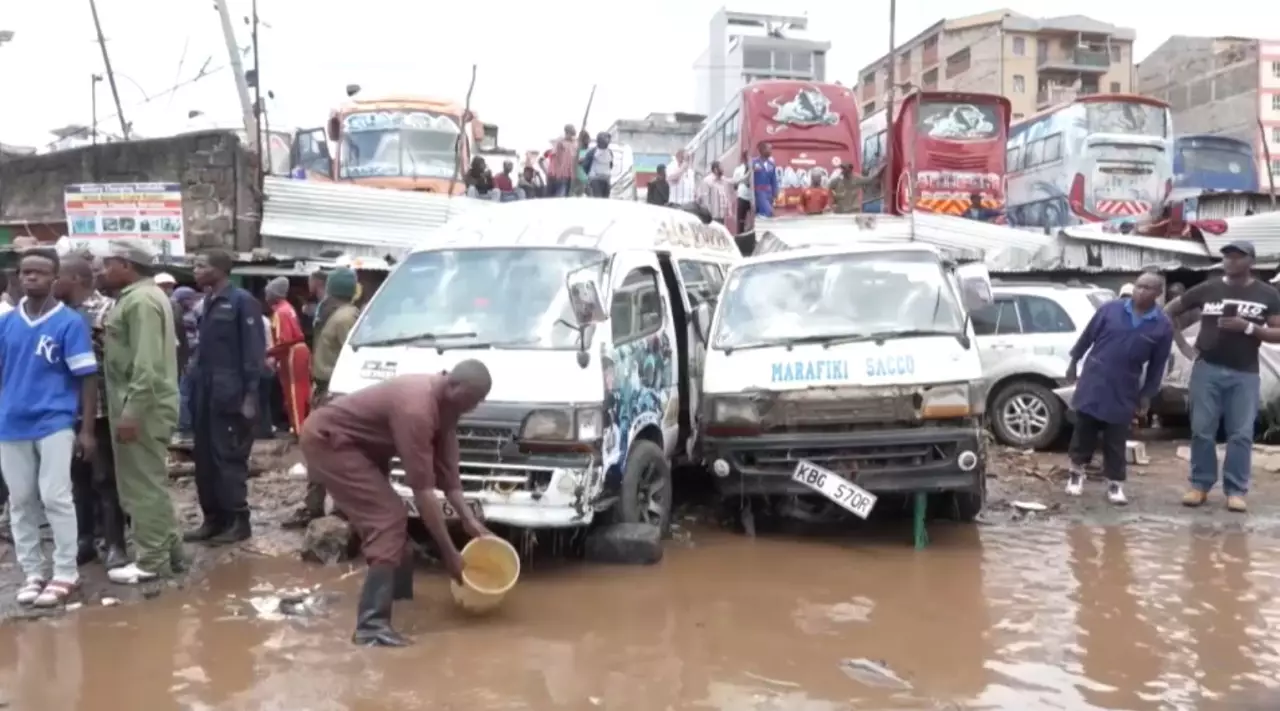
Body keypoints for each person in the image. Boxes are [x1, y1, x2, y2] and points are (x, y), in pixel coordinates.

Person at [300, 363, 494, 647]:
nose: (474, 408)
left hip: (361, 448)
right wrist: (449, 552)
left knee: (392, 519)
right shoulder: (417, 409)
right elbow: (423, 491)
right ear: (454, 388)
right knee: (387, 518)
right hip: (331, 443)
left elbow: (449, 477)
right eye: (473, 400)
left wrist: (469, 520)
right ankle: (371, 625)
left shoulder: (447, 409)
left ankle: (399, 599)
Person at [0, 249, 98, 607]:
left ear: (54, 278)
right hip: (10, 422)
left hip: (54, 420)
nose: (31, 278)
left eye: (40, 273)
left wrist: (86, 430)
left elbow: (87, 378)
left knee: (55, 496)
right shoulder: (6, 323)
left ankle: (65, 571)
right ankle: (31, 572)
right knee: (20, 500)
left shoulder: (69, 322)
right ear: (17, 276)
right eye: (26, 272)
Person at [1166, 241, 1280, 512]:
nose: (1230, 261)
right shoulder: (1209, 288)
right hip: (1207, 369)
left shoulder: (1267, 293)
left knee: (1240, 434)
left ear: (1251, 261)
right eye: (1227, 256)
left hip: (1245, 373)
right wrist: (1182, 345)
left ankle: (1235, 490)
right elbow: (1169, 310)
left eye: (1237, 257)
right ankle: (1200, 485)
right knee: (1202, 430)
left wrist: (1249, 328)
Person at [97, 241, 186, 584]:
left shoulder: (141, 301)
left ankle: (150, 561)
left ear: (127, 265)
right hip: (145, 404)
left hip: (142, 407)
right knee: (152, 484)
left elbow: (146, 365)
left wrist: (131, 413)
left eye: (109, 264)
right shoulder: (142, 298)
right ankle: (172, 553)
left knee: (140, 488)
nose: (103, 271)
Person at [1065, 272, 1174, 505]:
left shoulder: (1162, 325)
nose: (1140, 291)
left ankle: (1115, 484)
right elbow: (1087, 337)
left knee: (1116, 436)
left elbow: (1157, 364)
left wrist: (1146, 395)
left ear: (1157, 293)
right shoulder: (1111, 310)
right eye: (1138, 286)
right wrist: (1074, 362)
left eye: (1147, 287)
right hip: (1095, 377)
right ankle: (1076, 475)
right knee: (1084, 430)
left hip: (1125, 383)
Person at [186, 249, 266, 544]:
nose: (195, 269)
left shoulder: (242, 302)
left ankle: (238, 521)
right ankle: (213, 520)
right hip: (205, 393)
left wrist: (250, 396)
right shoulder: (207, 300)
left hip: (231, 395)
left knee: (228, 459)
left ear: (220, 269)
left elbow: (254, 352)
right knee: (204, 459)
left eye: (200, 264)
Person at [54, 254, 128, 569]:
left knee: (104, 478)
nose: (51, 281)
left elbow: (119, 361)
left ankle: (115, 544)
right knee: (75, 479)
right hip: (63, 411)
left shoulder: (106, 311)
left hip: (99, 410)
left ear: (74, 279)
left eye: (57, 275)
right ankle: (84, 540)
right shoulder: (56, 314)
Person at [283, 268, 361, 529]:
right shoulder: (331, 314)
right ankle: (315, 506)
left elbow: (353, 357)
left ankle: (341, 510)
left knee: (334, 451)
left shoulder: (346, 318)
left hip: (337, 393)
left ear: (331, 289)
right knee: (316, 448)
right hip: (325, 390)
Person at [264, 277, 311, 437]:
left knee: (294, 392)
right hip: (298, 350)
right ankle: (301, 427)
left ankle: (299, 430)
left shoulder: (280, 312)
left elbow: (285, 340)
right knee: (302, 390)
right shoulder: (288, 307)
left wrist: (267, 353)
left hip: (292, 352)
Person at [172, 286, 202, 442]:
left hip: (190, 359)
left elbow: (191, 342)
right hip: (188, 359)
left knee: (183, 394)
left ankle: (184, 428)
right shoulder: (188, 314)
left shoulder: (188, 317)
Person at [697, 160, 733, 225]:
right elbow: (705, 200)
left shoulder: (723, 180)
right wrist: (707, 215)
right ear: (716, 170)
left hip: (721, 216)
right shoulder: (707, 181)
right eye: (721, 167)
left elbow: (726, 197)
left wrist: (729, 210)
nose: (723, 169)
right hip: (712, 216)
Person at [547, 124, 577, 198]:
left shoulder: (575, 144)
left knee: (568, 196)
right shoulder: (560, 142)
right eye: (571, 134)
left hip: (571, 175)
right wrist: (553, 173)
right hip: (561, 175)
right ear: (567, 132)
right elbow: (553, 157)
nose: (572, 136)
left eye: (573, 134)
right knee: (561, 195)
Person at [750, 142, 779, 219]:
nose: (770, 151)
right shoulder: (753, 162)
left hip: (769, 194)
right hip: (758, 192)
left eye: (771, 149)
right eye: (769, 149)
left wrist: (775, 192)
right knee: (769, 212)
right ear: (762, 150)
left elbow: (774, 179)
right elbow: (748, 176)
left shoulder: (771, 164)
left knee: (763, 215)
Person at [581, 132, 615, 198]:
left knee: (605, 200)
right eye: (605, 139)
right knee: (598, 199)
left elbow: (610, 165)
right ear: (599, 141)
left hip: (606, 179)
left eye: (608, 139)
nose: (607, 141)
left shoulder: (609, 152)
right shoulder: (592, 152)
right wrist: (591, 175)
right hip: (595, 179)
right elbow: (585, 166)